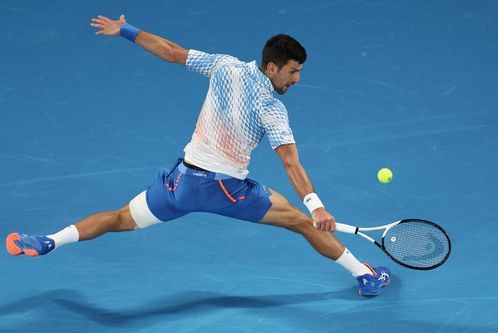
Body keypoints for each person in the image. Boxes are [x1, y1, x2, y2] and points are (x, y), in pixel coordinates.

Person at [6, 14, 391, 297]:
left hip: (181, 183)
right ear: (272, 67)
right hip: (225, 189)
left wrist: (125, 30)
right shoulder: (272, 109)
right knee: (304, 223)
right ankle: (366, 276)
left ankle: (49, 240)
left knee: (120, 217)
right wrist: (317, 206)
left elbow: (171, 52)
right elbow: (290, 161)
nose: (297, 80)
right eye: (292, 72)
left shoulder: (224, 66)